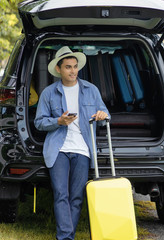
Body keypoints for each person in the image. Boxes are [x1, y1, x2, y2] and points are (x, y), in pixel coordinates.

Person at [34, 46, 110, 240]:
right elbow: (39, 122)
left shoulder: (90, 90)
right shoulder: (49, 93)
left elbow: (106, 113)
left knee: (76, 197)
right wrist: (58, 121)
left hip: (83, 149)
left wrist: (102, 114)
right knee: (61, 194)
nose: (73, 71)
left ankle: (68, 235)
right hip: (58, 149)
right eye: (68, 67)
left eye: (75, 67)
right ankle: (66, 237)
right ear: (58, 69)